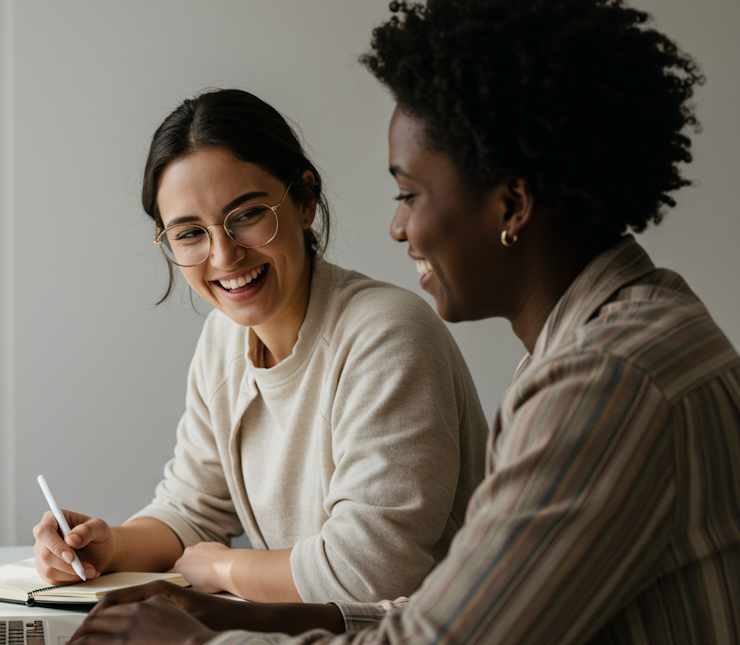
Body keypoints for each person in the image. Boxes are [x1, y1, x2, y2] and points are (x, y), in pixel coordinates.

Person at [55, 2, 740, 645]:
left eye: (410, 192)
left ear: (512, 204)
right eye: (189, 233)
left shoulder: (606, 383)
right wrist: (243, 611)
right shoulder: (607, 341)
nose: (397, 225)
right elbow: (437, 626)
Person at [33, 89, 487, 604]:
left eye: (246, 215)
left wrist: (225, 566)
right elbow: (192, 509)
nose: (223, 255)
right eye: (190, 234)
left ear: (305, 201)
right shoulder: (223, 340)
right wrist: (107, 547)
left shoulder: (387, 334)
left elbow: (372, 570)